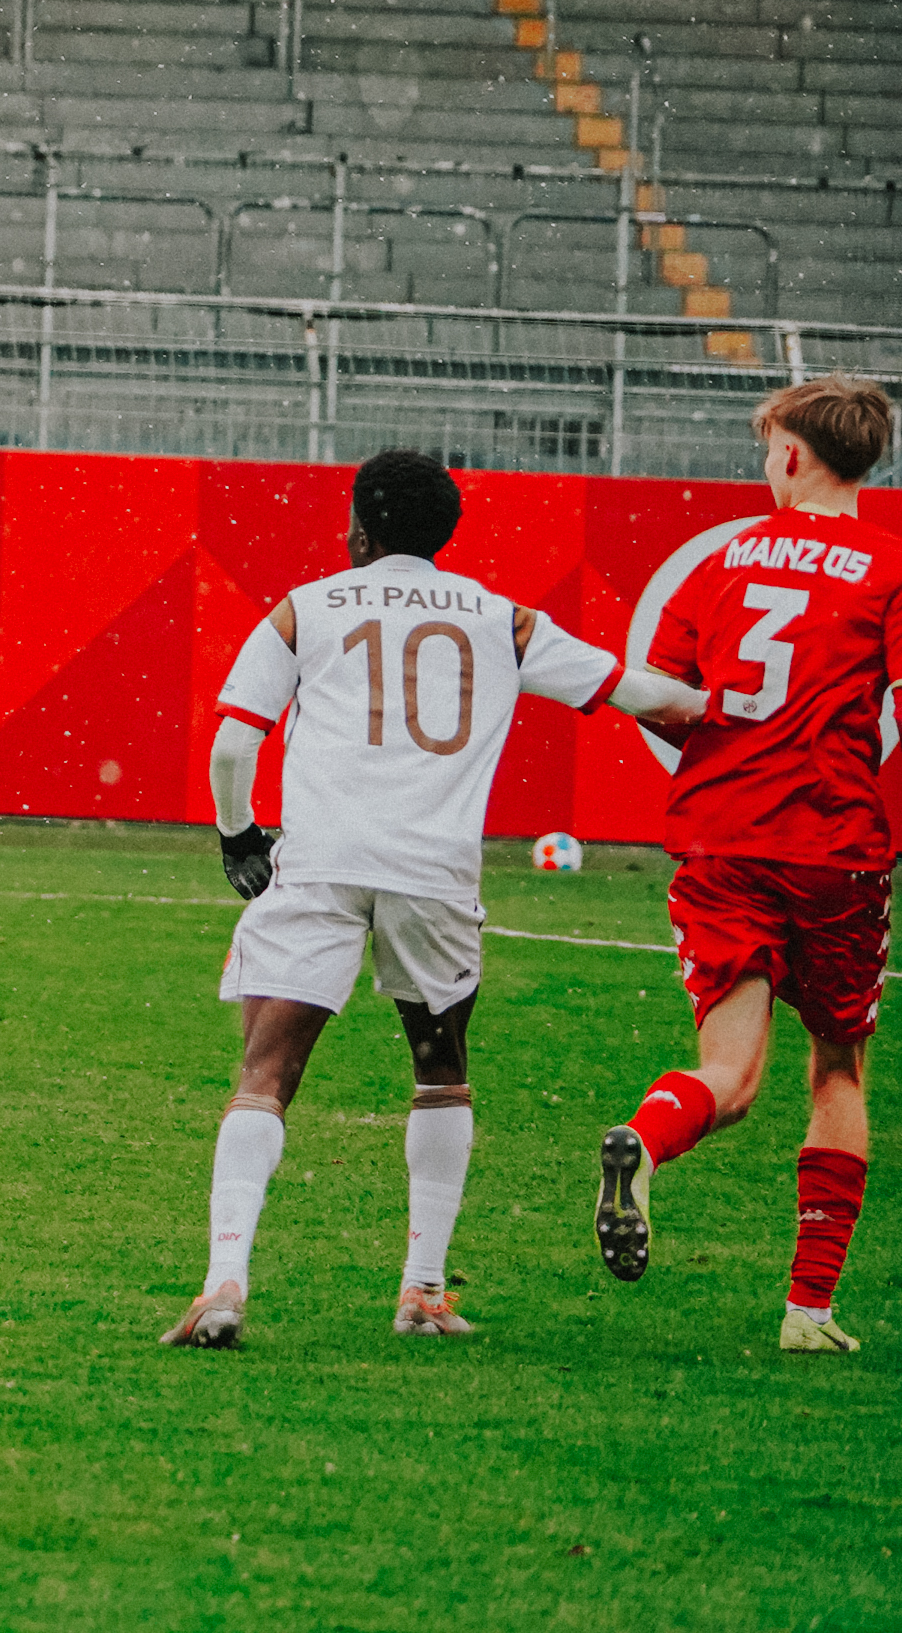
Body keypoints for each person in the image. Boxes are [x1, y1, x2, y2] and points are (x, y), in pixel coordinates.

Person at [158, 450, 703, 1350]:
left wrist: (239, 837)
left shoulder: (309, 606)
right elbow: (639, 694)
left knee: (265, 1075)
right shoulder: (502, 619)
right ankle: (421, 1293)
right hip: (434, 873)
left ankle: (223, 1283)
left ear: (361, 528)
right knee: (439, 1070)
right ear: (446, 533)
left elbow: (231, 745)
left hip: (323, 863)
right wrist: (736, 708)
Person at [596, 376, 902, 1353]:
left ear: (792, 455)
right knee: (839, 1070)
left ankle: (645, 1142)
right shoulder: (888, 566)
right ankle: (808, 1311)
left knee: (728, 1074)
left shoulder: (723, 562)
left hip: (724, 840)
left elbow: (665, 697)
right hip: (836, 848)